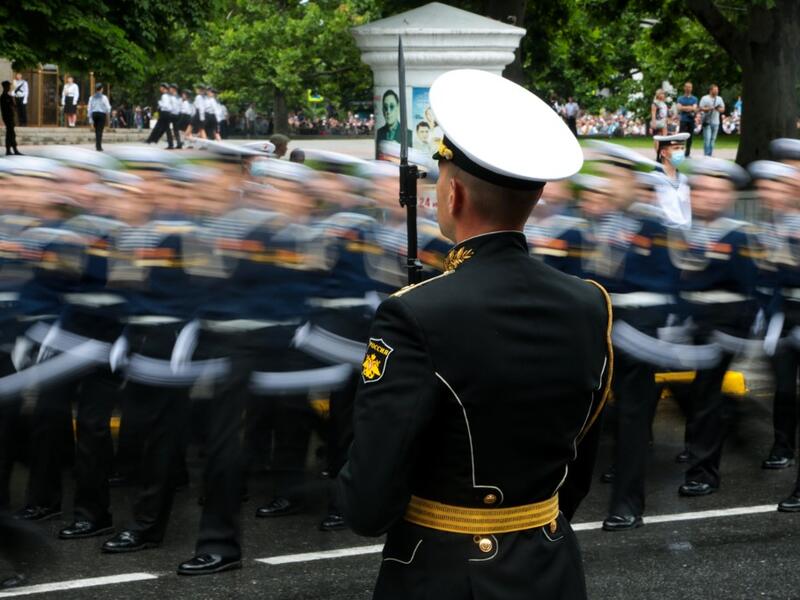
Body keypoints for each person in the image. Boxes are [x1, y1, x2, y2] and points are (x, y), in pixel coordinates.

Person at [337, 69, 612, 600]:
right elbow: (578, 457)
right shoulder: (589, 303)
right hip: (550, 565)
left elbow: (368, 503)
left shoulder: (412, 314)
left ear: (454, 193)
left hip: (442, 574)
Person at [146, 83, 174, 149]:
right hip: (168, 113)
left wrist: (160, 104)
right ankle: (169, 144)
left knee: (158, 126)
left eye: (160, 87)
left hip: (164, 113)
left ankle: (151, 140)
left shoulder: (164, 96)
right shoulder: (169, 96)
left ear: (164, 88)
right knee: (166, 129)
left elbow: (166, 105)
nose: (160, 89)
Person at [700, 84, 725, 156]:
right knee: (707, 140)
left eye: (717, 90)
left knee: (713, 140)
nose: (717, 91)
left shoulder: (719, 99)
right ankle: (706, 156)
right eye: (715, 90)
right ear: (711, 90)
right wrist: (708, 108)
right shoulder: (704, 98)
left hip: (716, 122)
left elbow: (723, 109)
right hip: (707, 122)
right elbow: (701, 108)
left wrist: (717, 108)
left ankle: (709, 155)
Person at [676, 82, 698, 157]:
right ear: (684, 88)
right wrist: (689, 107)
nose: (688, 89)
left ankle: (687, 153)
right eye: (687, 87)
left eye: (690, 87)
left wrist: (684, 107)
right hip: (683, 120)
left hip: (691, 120)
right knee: (681, 136)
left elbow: (695, 109)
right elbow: (679, 108)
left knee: (690, 137)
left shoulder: (694, 98)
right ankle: (679, 151)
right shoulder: (680, 98)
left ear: (691, 88)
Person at [88, 83, 111, 152]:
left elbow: (89, 108)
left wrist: (90, 117)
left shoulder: (91, 97)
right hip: (101, 114)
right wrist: (108, 113)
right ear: (101, 89)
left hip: (94, 114)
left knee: (96, 130)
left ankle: (97, 144)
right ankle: (99, 146)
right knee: (100, 131)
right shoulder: (104, 97)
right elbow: (108, 107)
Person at [1, 81, 20, 156]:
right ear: (5, 87)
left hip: (9, 117)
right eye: (8, 86)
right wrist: (13, 100)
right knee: (10, 133)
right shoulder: (4, 97)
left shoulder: (7, 96)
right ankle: (11, 149)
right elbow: (13, 106)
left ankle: (11, 150)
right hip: (8, 117)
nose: (9, 87)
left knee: (11, 133)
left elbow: (14, 106)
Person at [650, 89, 668, 157]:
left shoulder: (664, 103)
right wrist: (653, 123)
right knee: (657, 138)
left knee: (664, 138)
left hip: (663, 122)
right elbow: (653, 113)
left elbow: (665, 113)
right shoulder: (655, 103)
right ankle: (658, 153)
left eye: (663, 94)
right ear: (658, 95)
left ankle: (662, 153)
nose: (662, 95)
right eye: (661, 94)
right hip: (657, 122)